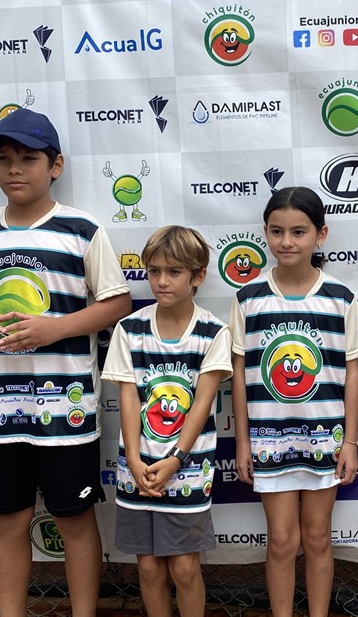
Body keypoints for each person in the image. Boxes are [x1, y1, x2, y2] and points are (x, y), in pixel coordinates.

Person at [0, 108, 132, 617]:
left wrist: (55, 327)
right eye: (3, 159)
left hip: (66, 411)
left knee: (74, 519)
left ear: (55, 166)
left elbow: (117, 303)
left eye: (28, 158)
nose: (14, 169)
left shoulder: (82, 229)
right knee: (7, 521)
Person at [230, 187, 358, 617]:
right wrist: (243, 442)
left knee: (317, 538)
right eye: (277, 231)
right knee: (281, 541)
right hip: (268, 441)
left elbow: (352, 372)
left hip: (324, 439)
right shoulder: (248, 299)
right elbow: (239, 375)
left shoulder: (341, 298)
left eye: (299, 231)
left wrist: (350, 442)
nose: (287, 241)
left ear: (320, 234)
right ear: (265, 233)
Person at [101, 225, 232, 617]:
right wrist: (134, 460)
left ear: (198, 276)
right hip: (137, 468)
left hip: (187, 468)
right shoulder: (129, 329)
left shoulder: (213, 333)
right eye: (154, 271)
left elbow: (202, 404)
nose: (161, 281)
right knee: (148, 567)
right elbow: (128, 397)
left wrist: (175, 459)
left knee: (185, 568)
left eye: (174, 272)